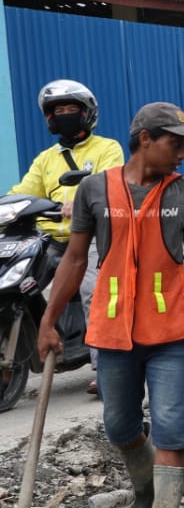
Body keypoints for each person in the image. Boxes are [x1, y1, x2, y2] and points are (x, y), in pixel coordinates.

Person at [37, 102, 184, 508]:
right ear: (145, 138)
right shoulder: (94, 190)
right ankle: (144, 495)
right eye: (176, 142)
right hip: (112, 328)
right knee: (120, 426)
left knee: (171, 429)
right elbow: (76, 259)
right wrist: (49, 319)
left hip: (169, 331)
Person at [9, 80, 125, 395]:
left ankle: (107, 372)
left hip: (92, 238)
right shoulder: (45, 159)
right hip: (51, 238)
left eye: (70, 109)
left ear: (87, 113)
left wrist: (85, 200)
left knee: (92, 292)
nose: (64, 115)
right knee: (15, 284)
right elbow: (23, 192)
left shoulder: (107, 148)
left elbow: (111, 182)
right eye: (57, 110)